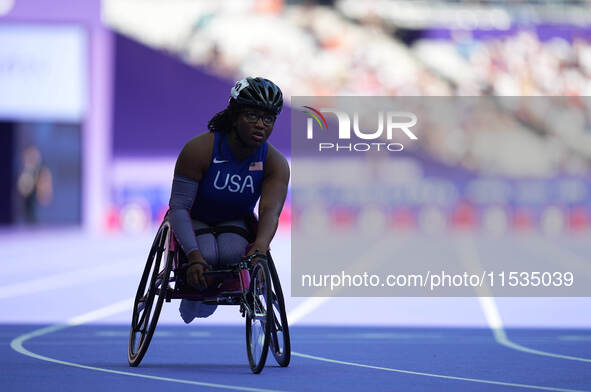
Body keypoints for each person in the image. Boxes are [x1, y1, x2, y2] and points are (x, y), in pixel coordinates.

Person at [168, 77, 289, 323]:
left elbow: (269, 211)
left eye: (268, 119)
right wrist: (193, 256)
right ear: (234, 115)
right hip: (196, 219)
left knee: (233, 255)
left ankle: (207, 294)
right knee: (209, 256)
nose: (260, 125)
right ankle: (195, 299)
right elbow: (178, 208)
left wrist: (261, 246)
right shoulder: (199, 150)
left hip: (236, 222)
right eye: (252, 116)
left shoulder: (275, 163)